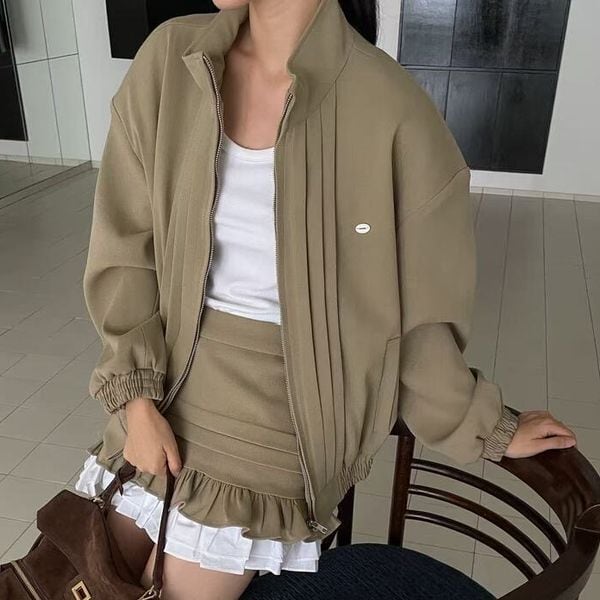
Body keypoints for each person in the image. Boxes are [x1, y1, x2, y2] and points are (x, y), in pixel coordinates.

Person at [76, 1, 578, 598]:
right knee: (88, 575)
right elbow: (125, 247)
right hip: (166, 382)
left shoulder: (390, 108)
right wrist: (134, 398)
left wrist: (483, 425)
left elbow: (417, 318)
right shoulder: (171, 59)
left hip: (277, 418)